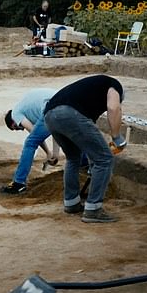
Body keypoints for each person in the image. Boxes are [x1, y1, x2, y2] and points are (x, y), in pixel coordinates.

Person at [43, 74, 127, 223]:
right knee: (105, 159)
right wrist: (116, 137)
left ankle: (71, 203)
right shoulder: (115, 86)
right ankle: (93, 209)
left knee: (73, 158)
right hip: (69, 114)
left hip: (49, 116)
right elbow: (113, 108)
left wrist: (92, 157)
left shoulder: (90, 93)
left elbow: (87, 135)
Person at [0, 88, 60, 194]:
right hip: (64, 102)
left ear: (13, 122)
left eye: (16, 128)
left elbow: (34, 135)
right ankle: (84, 165)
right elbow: (56, 129)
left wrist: (48, 152)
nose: (21, 129)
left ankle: (18, 183)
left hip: (50, 107)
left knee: (29, 143)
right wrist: (54, 153)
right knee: (72, 135)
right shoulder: (27, 106)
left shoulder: (16, 113)